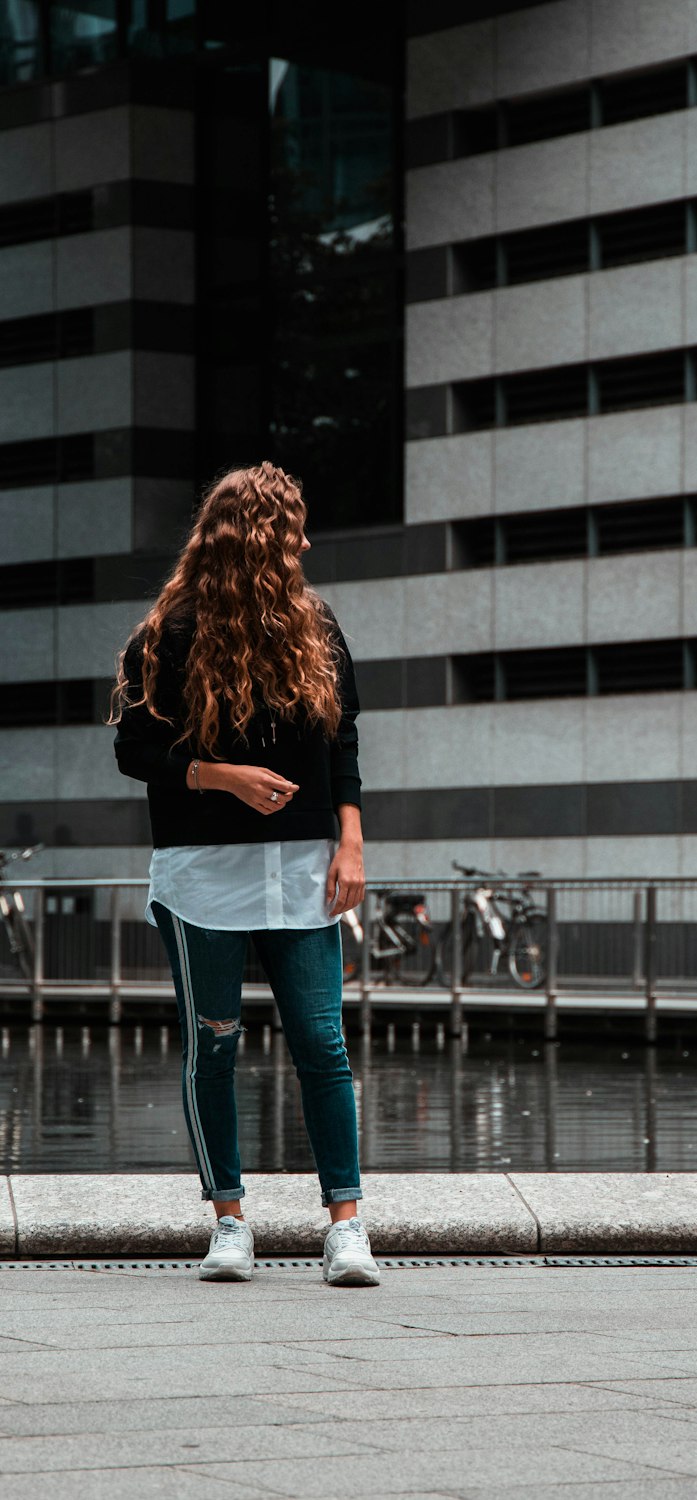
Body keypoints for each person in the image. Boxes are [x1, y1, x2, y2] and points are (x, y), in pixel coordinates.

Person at [108, 461, 379, 1288]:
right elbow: (134, 752)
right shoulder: (169, 633)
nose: (305, 539)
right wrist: (220, 774)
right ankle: (228, 1220)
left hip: (304, 870)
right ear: (259, 534)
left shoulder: (317, 626)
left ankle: (346, 1225)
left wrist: (352, 843)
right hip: (201, 875)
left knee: (323, 1043)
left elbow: (343, 743)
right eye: (293, 525)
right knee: (212, 1046)